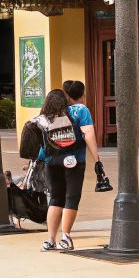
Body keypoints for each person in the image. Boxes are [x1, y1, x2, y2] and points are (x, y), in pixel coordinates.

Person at [32, 87, 98, 251]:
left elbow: (41, 145)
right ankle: (66, 237)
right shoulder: (79, 111)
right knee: (71, 198)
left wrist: (35, 163)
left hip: (51, 162)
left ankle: (50, 240)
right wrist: (97, 159)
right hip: (74, 161)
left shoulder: (44, 118)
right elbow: (87, 133)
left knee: (55, 199)